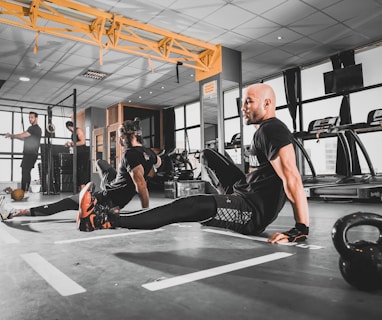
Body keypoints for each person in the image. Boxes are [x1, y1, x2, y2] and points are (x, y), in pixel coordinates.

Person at [77, 83, 310, 244]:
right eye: (243, 102)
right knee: (208, 154)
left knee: (188, 206)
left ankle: (104, 218)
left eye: (249, 102)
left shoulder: (273, 129)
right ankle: (225, 198)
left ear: (267, 104)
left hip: (250, 213)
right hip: (245, 193)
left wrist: (300, 229)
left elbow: (292, 177)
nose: (243, 107)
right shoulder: (264, 131)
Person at [1, 118, 161, 224]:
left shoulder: (130, 154)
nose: (118, 140)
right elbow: (158, 162)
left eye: (120, 136)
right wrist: (152, 164)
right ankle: (105, 184)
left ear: (129, 136)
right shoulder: (150, 154)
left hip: (106, 200)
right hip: (115, 192)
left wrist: (145, 213)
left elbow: (141, 185)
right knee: (102, 163)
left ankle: (15, 213)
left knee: (65, 203)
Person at [5, 111, 42, 192]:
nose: (30, 119)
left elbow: (23, 135)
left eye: (32, 117)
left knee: (25, 171)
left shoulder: (34, 128)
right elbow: (23, 138)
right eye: (29, 117)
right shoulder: (35, 129)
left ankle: (24, 191)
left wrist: (11, 135)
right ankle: (25, 190)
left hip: (30, 154)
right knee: (26, 171)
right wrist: (14, 137)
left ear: (36, 118)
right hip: (30, 154)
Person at [65, 120, 89, 190]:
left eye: (69, 128)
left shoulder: (78, 131)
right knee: (77, 170)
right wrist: (69, 145)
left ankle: (83, 188)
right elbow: (75, 144)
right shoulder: (73, 133)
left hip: (83, 153)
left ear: (69, 127)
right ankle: (80, 188)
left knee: (81, 170)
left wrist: (72, 143)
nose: (69, 130)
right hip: (78, 153)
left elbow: (83, 142)